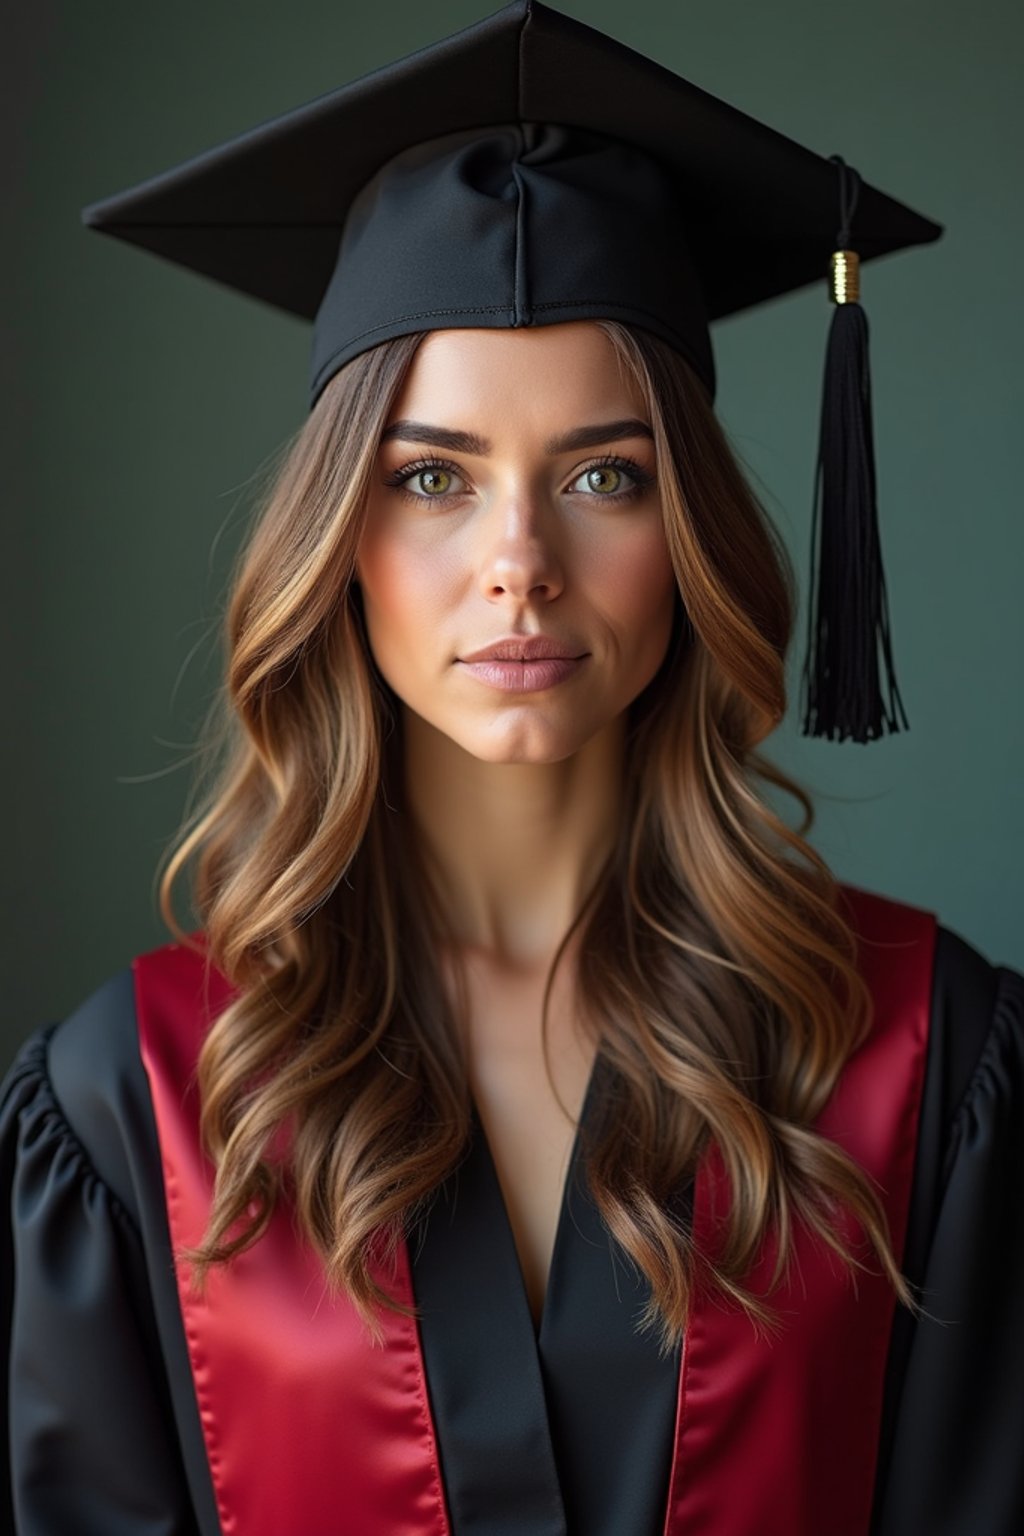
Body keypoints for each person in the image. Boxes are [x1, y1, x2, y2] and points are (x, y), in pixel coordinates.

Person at [2, 3, 1022, 1534]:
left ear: (691, 540)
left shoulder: (918, 1059)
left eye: (606, 475)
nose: (520, 566)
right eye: (433, 479)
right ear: (338, 543)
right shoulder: (134, 1098)